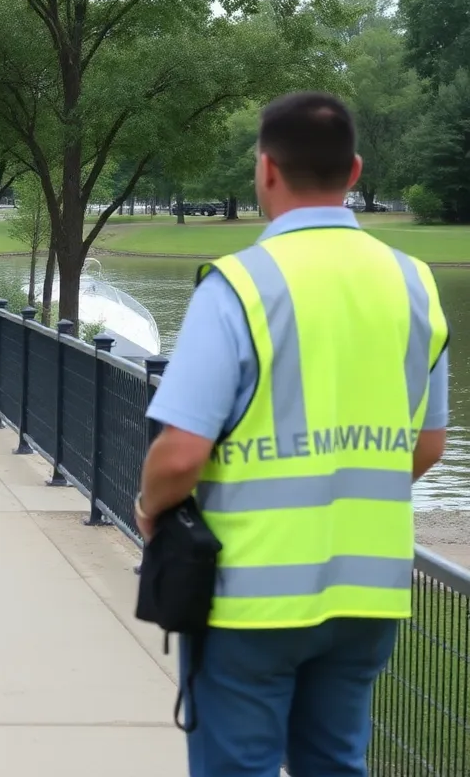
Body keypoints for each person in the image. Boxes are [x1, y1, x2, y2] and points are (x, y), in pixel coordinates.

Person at [137, 91, 449, 777]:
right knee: (335, 762)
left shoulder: (241, 285)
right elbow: (428, 445)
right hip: (369, 585)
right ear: (356, 170)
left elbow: (182, 451)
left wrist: (149, 507)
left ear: (266, 170)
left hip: (253, 593)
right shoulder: (414, 285)